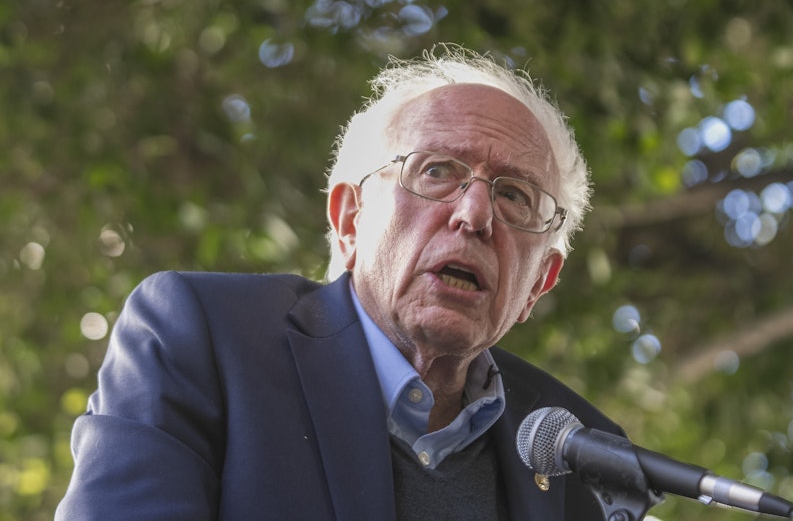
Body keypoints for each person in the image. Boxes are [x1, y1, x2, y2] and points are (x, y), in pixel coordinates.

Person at [57, 45, 624, 520]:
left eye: (515, 196)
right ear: (350, 221)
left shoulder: (583, 448)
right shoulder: (203, 336)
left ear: (539, 284)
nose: (474, 215)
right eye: (436, 171)